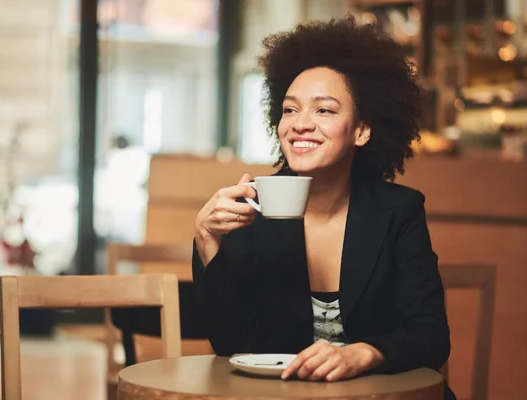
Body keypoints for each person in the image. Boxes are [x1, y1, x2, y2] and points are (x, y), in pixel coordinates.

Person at [192, 17, 455, 400]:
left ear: (362, 130)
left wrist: (362, 354)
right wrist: (207, 239)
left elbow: (430, 335)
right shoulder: (248, 207)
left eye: (325, 111)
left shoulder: (399, 210)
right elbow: (229, 341)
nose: (301, 125)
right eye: (290, 110)